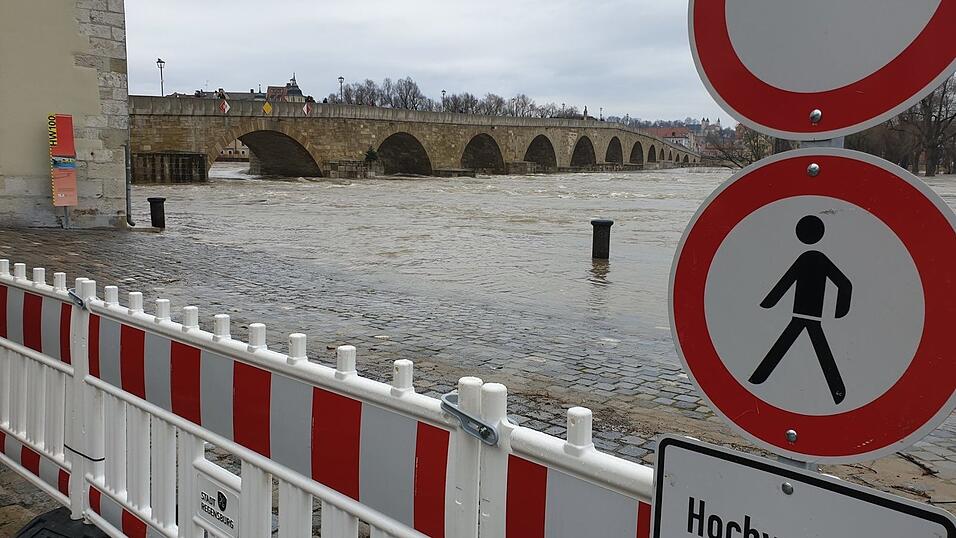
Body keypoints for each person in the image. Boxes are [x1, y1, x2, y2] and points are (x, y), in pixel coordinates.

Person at [749, 215, 852, 404]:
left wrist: (769, 303)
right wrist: (839, 310)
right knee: (810, 347)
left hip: (804, 313)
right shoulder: (817, 259)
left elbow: (786, 282)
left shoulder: (809, 258)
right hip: (810, 314)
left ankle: (758, 377)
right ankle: (838, 391)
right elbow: (845, 285)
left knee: (796, 345)